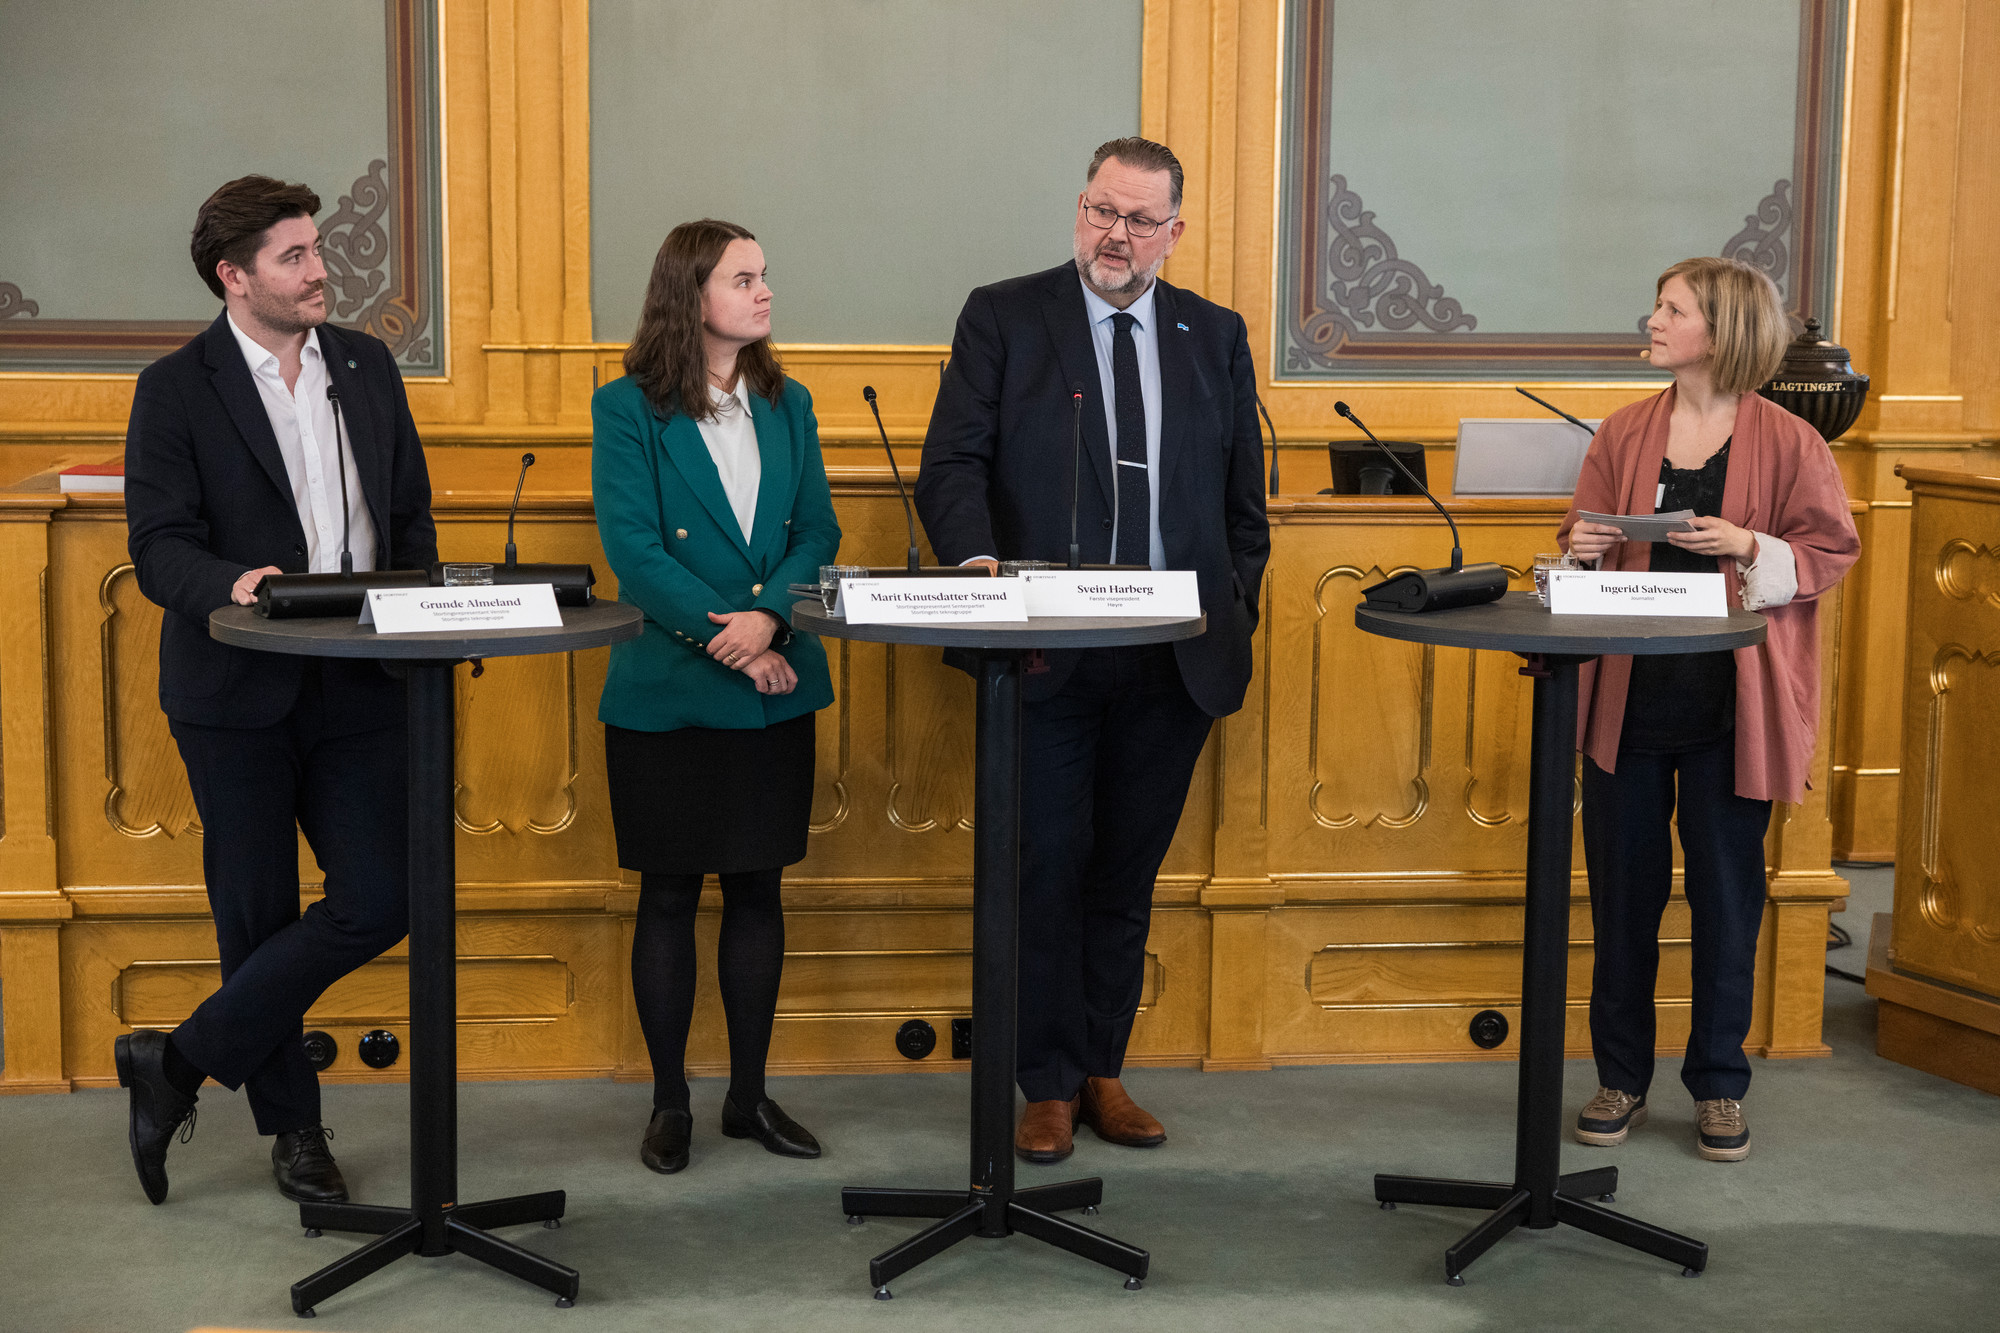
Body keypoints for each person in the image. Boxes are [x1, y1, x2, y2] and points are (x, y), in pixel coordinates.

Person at [916, 137, 1270, 1163]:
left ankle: (1103, 1066)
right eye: (1099, 212)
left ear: (1174, 231)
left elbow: (1241, 501)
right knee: (1042, 866)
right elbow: (952, 464)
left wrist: (1231, 597)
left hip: (1169, 657)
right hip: (1041, 653)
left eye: (1138, 220)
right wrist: (977, 564)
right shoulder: (1005, 315)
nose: (1115, 236)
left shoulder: (1215, 332)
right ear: (1078, 209)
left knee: (1124, 871)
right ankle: (1044, 1081)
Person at [119, 175, 438, 1204]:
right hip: (233, 686)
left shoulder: (364, 364)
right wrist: (232, 583)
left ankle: (173, 1061)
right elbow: (159, 547)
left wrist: (425, 618)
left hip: (363, 681)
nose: (319, 269)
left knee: (381, 897)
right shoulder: (175, 387)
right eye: (294, 256)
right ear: (233, 275)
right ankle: (294, 1131)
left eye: (315, 250)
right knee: (252, 912)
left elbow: (408, 518)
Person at [1558, 257, 1858, 1162]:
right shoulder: (1621, 431)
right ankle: (1621, 1077)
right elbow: (1574, 545)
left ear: (1719, 332)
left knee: (1729, 904)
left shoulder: (1790, 439)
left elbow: (1829, 549)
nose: (1651, 321)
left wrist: (1748, 543)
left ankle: (1720, 1084)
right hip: (1629, 703)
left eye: (1671, 309)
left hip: (1736, 709)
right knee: (1623, 902)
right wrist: (1582, 542)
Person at [592, 219, 841, 1174]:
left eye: (766, 275)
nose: (765, 291)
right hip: (672, 693)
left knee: (758, 891)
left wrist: (771, 620)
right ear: (692, 292)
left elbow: (817, 528)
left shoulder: (789, 401)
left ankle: (748, 1095)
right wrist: (734, 640)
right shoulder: (627, 410)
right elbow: (636, 553)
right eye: (745, 277)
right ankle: (669, 1103)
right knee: (667, 896)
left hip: (777, 684)